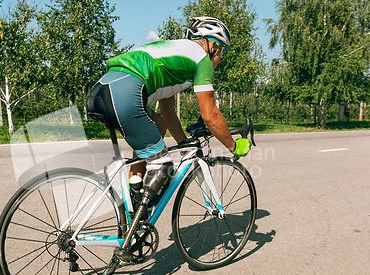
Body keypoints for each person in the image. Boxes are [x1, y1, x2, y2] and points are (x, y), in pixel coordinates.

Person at [88, 16, 251, 261]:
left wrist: (184, 142)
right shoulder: (201, 59)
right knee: (163, 167)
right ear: (212, 44)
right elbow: (210, 115)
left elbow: (167, 113)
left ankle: (134, 203)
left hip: (104, 88)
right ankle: (132, 232)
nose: (221, 58)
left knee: (156, 126)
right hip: (125, 93)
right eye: (223, 51)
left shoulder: (172, 53)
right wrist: (233, 144)